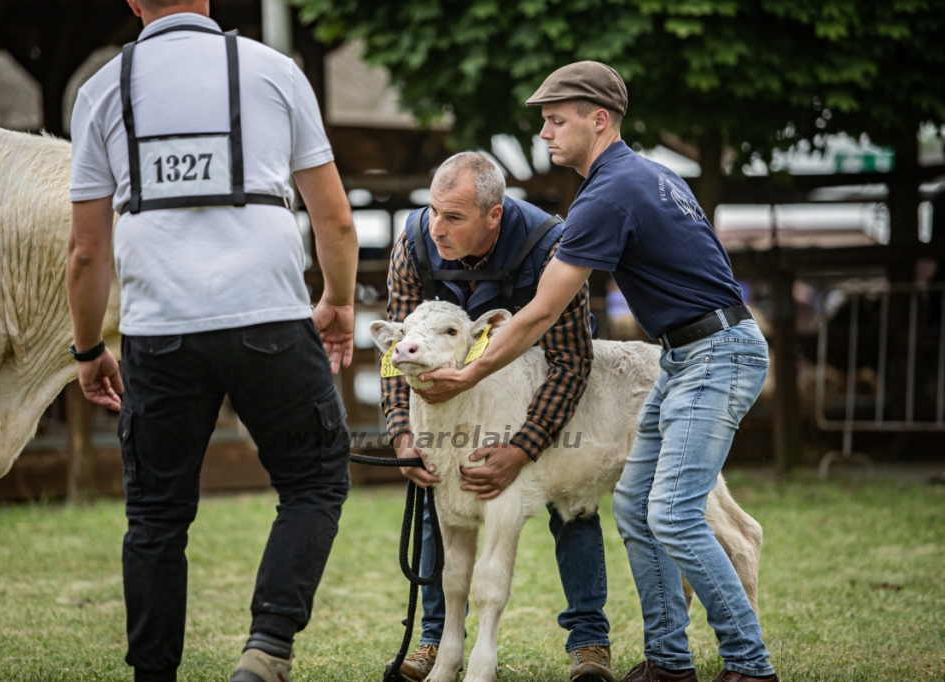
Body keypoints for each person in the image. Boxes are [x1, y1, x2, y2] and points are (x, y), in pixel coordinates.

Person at [417, 62, 778, 682]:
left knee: (673, 512)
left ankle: (749, 664)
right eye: (545, 123)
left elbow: (541, 314)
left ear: (599, 120)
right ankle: (669, 661)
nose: (546, 135)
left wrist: (471, 375)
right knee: (637, 504)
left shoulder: (608, 193)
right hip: (686, 352)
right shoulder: (651, 176)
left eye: (557, 122)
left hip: (714, 352)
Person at [65, 1, 357, 681]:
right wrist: (338, 301)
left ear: (135, 3)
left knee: (157, 517)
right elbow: (336, 219)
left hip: (159, 329)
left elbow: (86, 251)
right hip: (268, 315)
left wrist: (87, 350)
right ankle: (267, 648)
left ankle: (153, 675)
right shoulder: (273, 70)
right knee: (314, 478)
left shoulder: (102, 89)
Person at [381, 152, 615, 682]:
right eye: (433, 211)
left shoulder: (552, 246)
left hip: (542, 381)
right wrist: (403, 436)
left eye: (455, 217)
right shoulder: (414, 242)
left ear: (495, 215)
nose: (437, 228)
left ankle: (588, 642)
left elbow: (572, 360)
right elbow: (396, 352)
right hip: (455, 398)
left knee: (569, 497)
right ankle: (438, 641)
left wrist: (524, 446)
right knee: (436, 489)